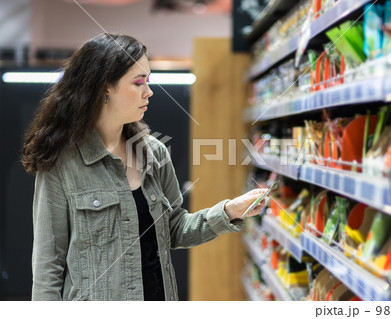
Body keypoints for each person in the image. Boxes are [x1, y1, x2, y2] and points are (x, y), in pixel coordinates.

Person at [21, 33, 267, 301]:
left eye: (147, 81)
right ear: (104, 88)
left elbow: (175, 228)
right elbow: (48, 269)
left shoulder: (154, 153)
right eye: (139, 82)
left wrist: (230, 210)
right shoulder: (62, 163)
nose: (148, 91)